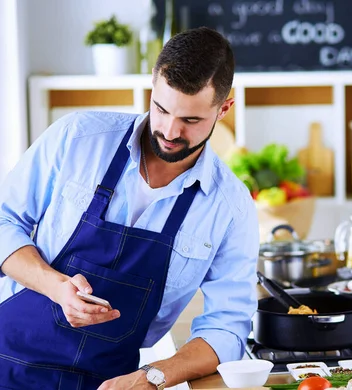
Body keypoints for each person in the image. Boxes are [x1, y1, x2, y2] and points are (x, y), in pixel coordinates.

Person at [0, 27, 259, 389]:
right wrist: (57, 287)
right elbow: (3, 221)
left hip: (110, 381)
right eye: (161, 109)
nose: (169, 130)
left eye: (191, 120)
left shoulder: (230, 207)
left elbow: (227, 326)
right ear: (153, 86)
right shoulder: (78, 138)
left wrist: (154, 376)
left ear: (224, 108)